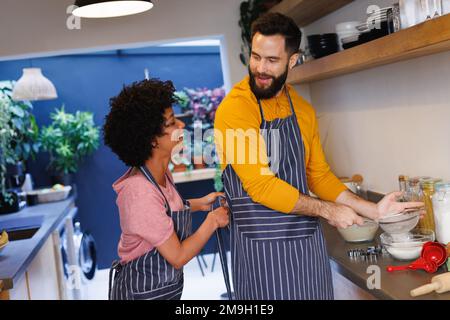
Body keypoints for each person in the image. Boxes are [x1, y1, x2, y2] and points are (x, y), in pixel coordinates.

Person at [214, 12, 423, 300]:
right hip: (261, 255)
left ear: (293, 60)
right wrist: (328, 210)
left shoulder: (302, 109)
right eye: (256, 57)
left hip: (307, 249)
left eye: (272, 60)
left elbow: (319, 175)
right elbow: (261, 186)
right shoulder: (235, 109)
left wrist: (372, 210)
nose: (260, 68)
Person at [103, 78, 229, 300]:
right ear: (152, 140)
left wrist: (200, 203)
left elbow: (161, 215)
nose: (181, 125)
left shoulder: (161, 175)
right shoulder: (139, 191)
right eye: (171, 123)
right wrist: (213, 221)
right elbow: (178, 256)